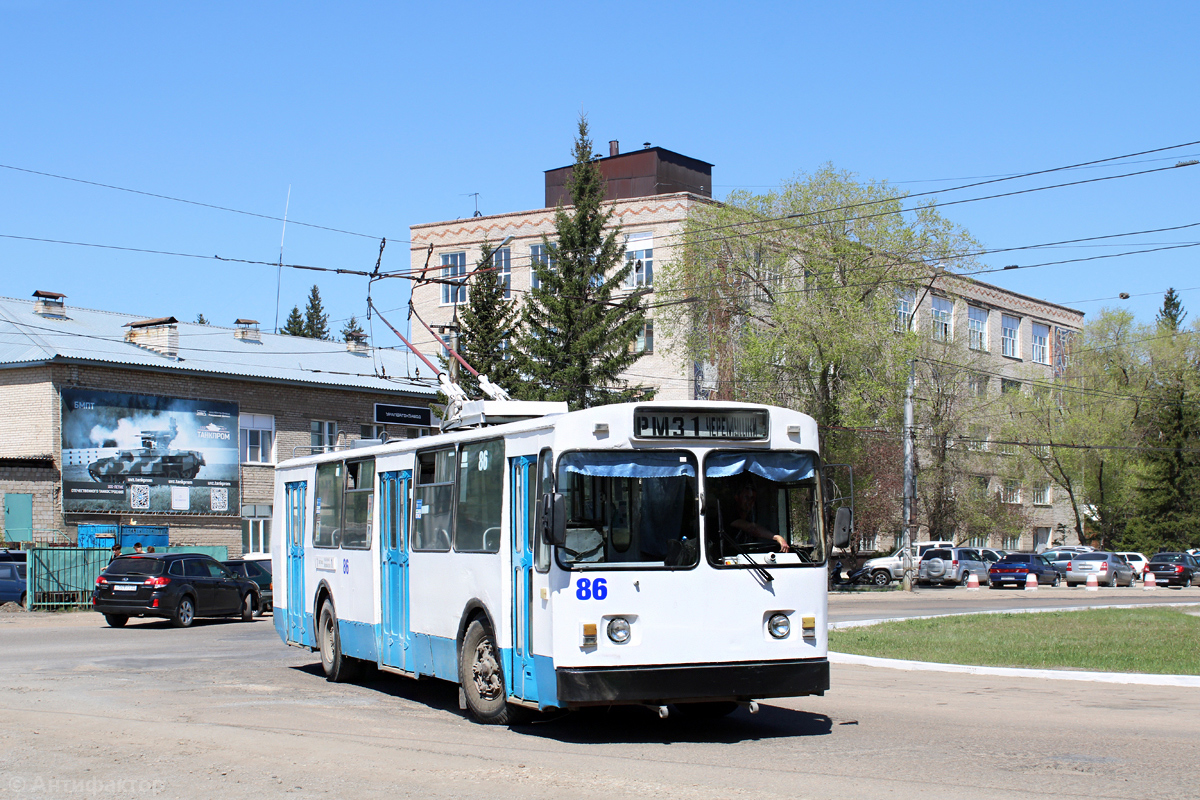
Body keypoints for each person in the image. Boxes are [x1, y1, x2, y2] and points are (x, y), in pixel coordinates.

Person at [727, 478, 789, 552]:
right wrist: (777, 537)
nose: (749, 502)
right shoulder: (730, 516)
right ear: (737, 498)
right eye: (746, 497)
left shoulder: (751, 516)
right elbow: (752, 528)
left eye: (752, 498)